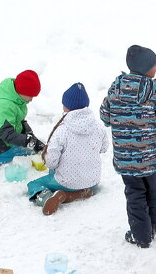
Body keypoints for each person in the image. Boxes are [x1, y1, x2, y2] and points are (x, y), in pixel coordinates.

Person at [100, 45, 156, 248]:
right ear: (145, 68)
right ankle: (150, 230)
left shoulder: (115, 89)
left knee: (135, 195)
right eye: (153, 64)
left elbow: (105, 117)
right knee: (152, 191)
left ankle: (141, 233)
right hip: (151, 157)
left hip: (126, 159)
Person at [25, 83, 108, 216]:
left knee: (33, 184)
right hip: (92, 181)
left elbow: (51, 161)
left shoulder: (62, 130)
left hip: (67, 182)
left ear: (66, 106)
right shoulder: (98, 126)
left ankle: (47, 197)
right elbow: (104, 148)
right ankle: (79, 193)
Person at [0, 70, 46, 172]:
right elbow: (7, 135)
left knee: (32, 149)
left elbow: (20, 121)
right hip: (0, 145)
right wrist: (29, 141)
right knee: (30, 154)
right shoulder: (5, 107)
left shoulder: (17, 100)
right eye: (30, 95)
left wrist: (29, 133)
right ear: (22, 91)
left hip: (7, 138)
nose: (31, 99)